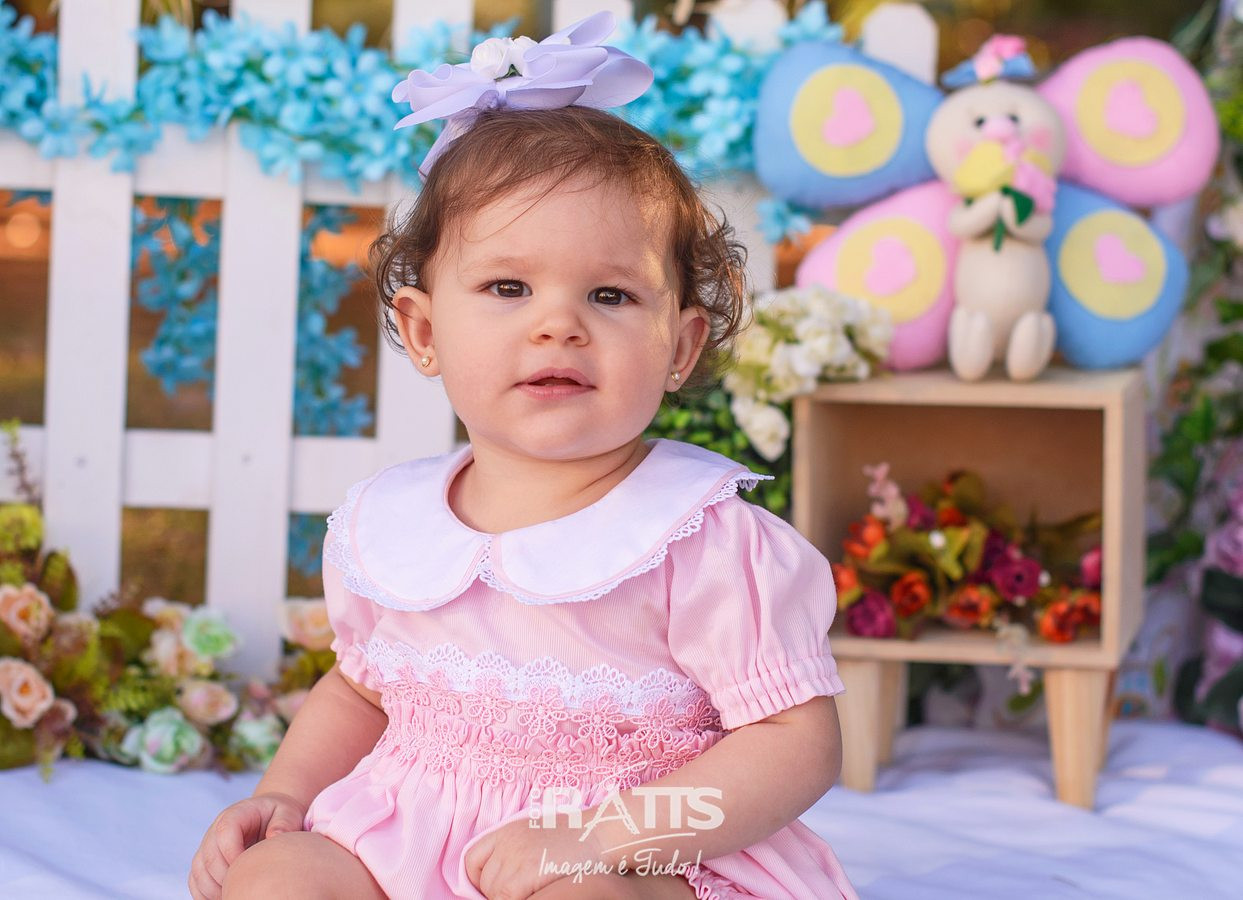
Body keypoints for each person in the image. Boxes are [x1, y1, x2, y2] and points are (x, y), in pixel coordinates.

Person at [189, 12, 856, 900]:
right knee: (275, 879)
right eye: (508, 286)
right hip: (408, 841)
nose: (557, 324)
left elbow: (794, 745)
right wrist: (284, 794)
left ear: (680, 345)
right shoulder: (392, 526)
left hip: (635, 853)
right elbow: (360, 693)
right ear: (423, 331)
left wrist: (601, 838)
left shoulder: (702, 542)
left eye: (610, 295)